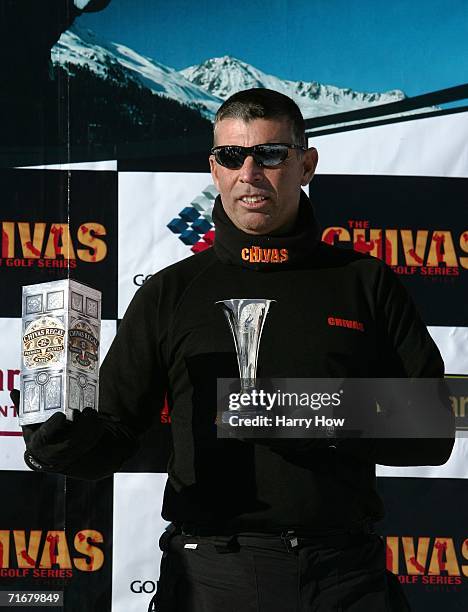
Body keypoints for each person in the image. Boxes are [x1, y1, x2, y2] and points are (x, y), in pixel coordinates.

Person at [14, 88, 454, 611]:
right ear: (214, 169)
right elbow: (116, 429)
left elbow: (432, 429)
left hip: (343, 574)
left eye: (271, 154)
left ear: (306, 164)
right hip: (211, 575)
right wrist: (61, 445)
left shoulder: (365, 281)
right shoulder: (170, 291)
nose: (250, 172)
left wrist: (308, 415)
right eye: (231, 155)